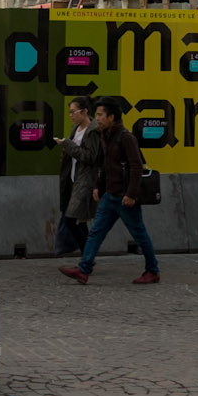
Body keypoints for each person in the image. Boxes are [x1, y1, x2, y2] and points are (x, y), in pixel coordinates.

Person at [61, 99, 161, 286]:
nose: (96, 118)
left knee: (139, 235)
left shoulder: (126, 137)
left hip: (124, 198)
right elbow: (106, 165)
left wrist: (131, 195)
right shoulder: (104, 135)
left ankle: (152, 271)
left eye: (99, 115)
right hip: (110, 196)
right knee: (96, 232)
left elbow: (136, 166)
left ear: (111, 117)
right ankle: (83, 270)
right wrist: (99, 185)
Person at [56, 96, 98, 256]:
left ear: (85, 111)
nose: (71, 115)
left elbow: (90, 157)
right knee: (78, 221)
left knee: (70, 219)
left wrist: (68, 145)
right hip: (72, 180)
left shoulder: (93, 131)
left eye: (73, 112)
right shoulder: (76, 129)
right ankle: (88, 255)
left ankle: (88, 255)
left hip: (85, 182)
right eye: (69, 112)